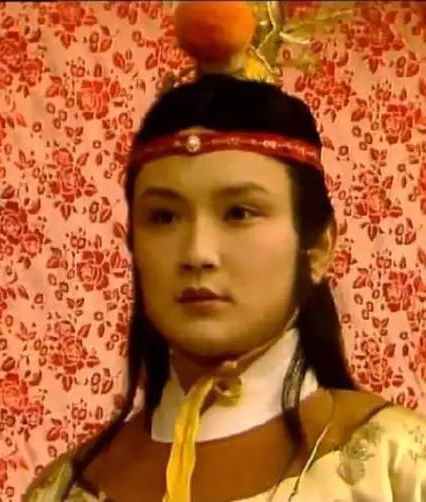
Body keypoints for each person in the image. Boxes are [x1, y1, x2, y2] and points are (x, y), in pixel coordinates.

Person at [24, 2, 426, 501]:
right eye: (164, 217)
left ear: (319, 245)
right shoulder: (64, 489)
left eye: (239, 212)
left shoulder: (397, 464)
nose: (197, 253)